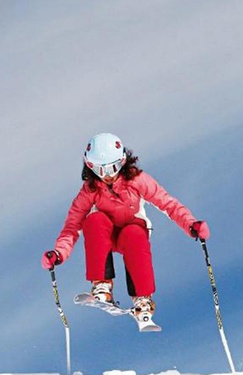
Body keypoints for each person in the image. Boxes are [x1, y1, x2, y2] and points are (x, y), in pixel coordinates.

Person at [42, 133, 210, 325]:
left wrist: (191, 225)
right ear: (89, 167)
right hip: (105, 235)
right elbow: (72, 225)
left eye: (112, 168)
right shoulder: (90, 190)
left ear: (122, 162)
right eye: (99, 169)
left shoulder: (137, 180)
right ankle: (102, 286)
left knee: (134, 233)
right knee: (94, 220)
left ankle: (142, 299)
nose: (106, 175)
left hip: (131, 233)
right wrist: (58, 253)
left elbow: (168, 204)